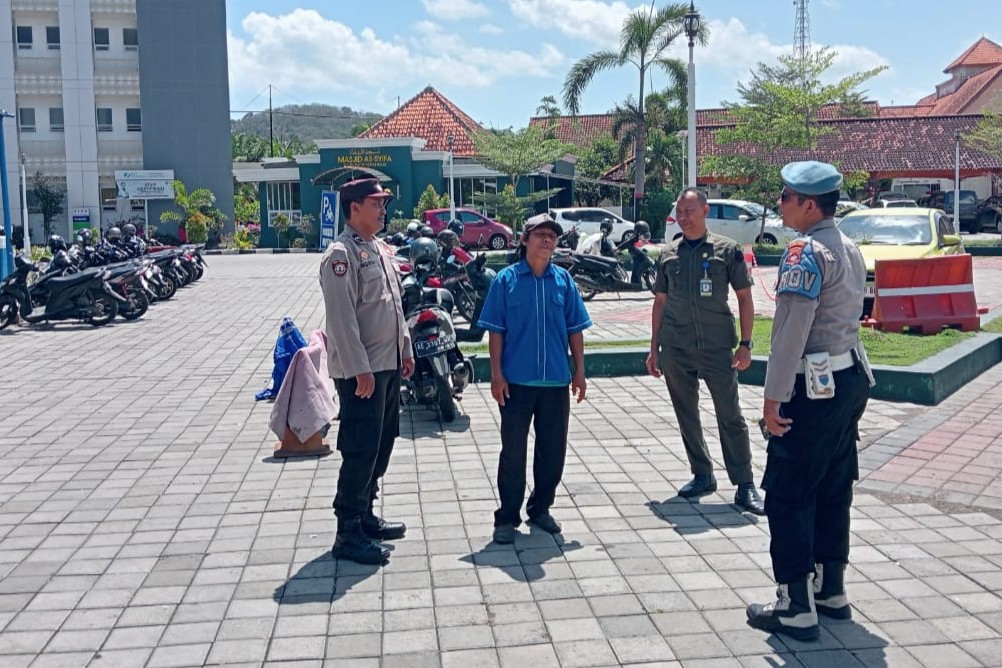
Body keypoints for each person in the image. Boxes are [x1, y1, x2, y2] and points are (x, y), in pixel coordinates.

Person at [746, 162, 874, 641]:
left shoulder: (805, 252)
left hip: (813, 389)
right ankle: (830, 589)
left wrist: (773, 399)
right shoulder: (849, 246)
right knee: (833, 483)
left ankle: (796, 605)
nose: (780, 203)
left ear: (808, 204)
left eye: (786, 196)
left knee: (788, 490)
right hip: (848, 380)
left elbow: (790, 334)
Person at [645, 188, 765, 515]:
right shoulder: (669, 254)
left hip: (717, 347)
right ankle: (702, 474)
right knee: (687, 414)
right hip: (676, 347)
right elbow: (660, 302)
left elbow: (744, 298)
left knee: (731, 415)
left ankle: (744, 484)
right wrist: (653, 347)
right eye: (679, 213)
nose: (684, 218)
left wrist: (746, 343)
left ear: (704, 210)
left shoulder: (727, 251)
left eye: (690, 211)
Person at [477, 213, 591, 544]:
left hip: (556, 381)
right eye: (539, 234)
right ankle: (507, 517)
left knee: (552, 451)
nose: (546, 240)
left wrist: (579, 371)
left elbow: (575, 330)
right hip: (516, 382)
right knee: (513, 451)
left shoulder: (564, 282)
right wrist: (496, 374)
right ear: (524, 239)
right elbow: (496, 332)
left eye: (552, 236)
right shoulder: (506, 281)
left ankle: (540, 508)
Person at [319, 178, 415, 565]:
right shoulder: (340, 255)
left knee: (383, 439)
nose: (383, 209)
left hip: (386, 365)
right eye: (376, 203)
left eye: (383, 203)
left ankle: (366, 513)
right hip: (363, 372)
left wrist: (405, 348)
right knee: (360, 448)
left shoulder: (379, 248)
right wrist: (360, 369)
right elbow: (342, 321)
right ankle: (348, 531)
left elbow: (393, 307)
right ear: (354, 207)